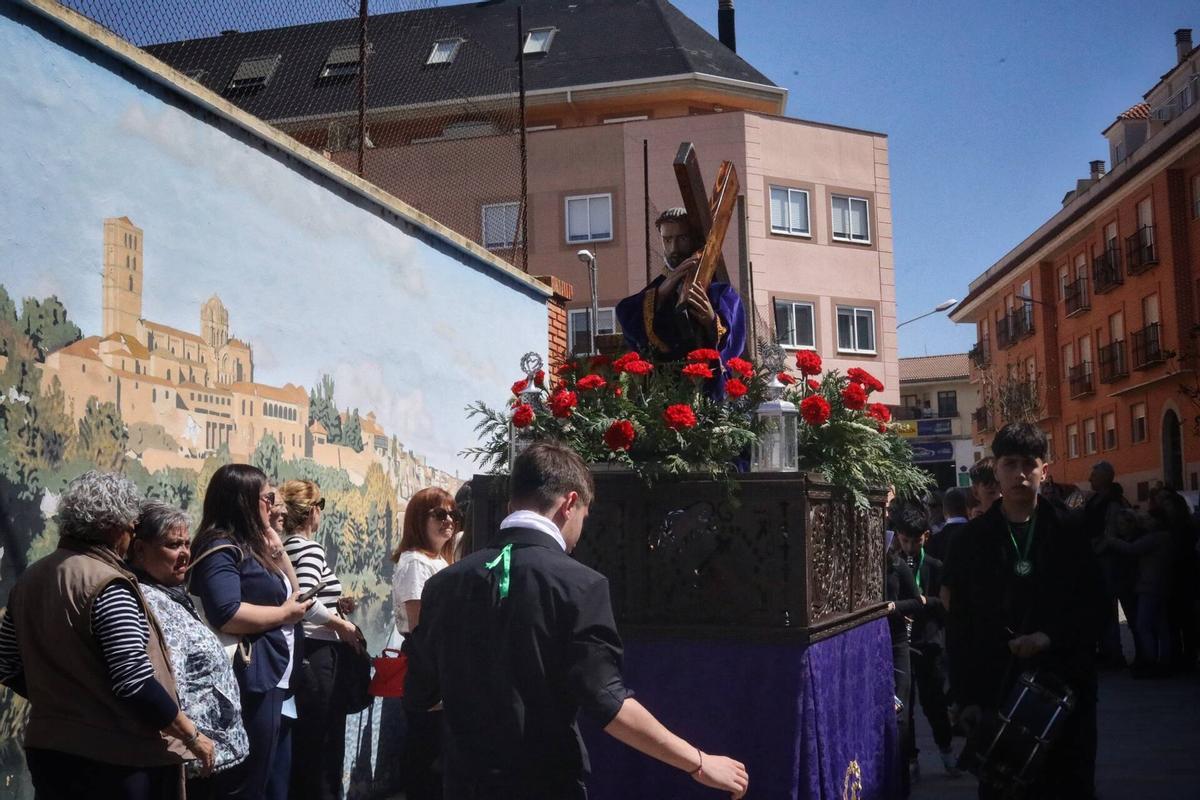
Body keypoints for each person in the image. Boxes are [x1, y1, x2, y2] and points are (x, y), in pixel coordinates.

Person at [404, 441, 749, 799]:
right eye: (584, 514)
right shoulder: (580, 584)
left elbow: (420, 694)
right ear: (569, 504)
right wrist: (698, 762)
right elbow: (607, 702)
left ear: (511, 505)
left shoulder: (443, 584)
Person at [0, 471, 214, 798]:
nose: (132, 534)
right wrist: (191, 735)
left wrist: (63, 700)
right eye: (131, 526)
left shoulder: (30, 578)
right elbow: (135, 680)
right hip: (113, 758)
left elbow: (7, 664)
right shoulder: (108, 585)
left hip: (49, 750)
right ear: (113, 527)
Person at [944, 424, 1100, 800]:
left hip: (1063, 687)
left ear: (1044, 470)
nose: (1019, 473)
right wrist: (965, 696)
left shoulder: (1071, 530)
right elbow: (959, 623)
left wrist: (1050, 637)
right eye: (1010, 464)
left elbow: (1094, 603)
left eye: (1029, 463)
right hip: (996, 687)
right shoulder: (970, 541)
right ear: (995, 469)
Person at [189, 464, 313, 800]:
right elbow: (227, 613)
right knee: (245, 782)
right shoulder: (220, 546)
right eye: (268, 498)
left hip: (270, 675)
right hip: (248, 677)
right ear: (243, 500)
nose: (274, 506)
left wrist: (277, 549)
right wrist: (283, 614)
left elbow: (295, 593)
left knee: (263, 778)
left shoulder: (253, 545)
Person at [129, 501, 249, 798]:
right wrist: (192, 738)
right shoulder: (148, 602)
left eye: (186, 543)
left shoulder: (171, 594)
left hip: (214, 756)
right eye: (173, 545)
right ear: (140, 550)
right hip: (194, 760)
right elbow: (167, 683)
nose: (185, 553)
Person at [279, 480, 363, 800]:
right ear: (313, 510)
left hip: (300, 653)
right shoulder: (310, 548)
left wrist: (335, 604)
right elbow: (303, 600)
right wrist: (341, 625)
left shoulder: (285, 547)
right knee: (325, 745)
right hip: (318, 655)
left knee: (306, 744)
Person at [391, 487, 460, 800]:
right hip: (426, 660)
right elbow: (420, 626)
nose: (449, 520)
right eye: (440, 514)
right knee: (426, 750)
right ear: (420, 519)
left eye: (453, 514)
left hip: (440, 659)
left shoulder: (439, 561)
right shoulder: (416, 563)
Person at [614, 207, 746, 367]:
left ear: (694, 239)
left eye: (682, 238)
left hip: (705, 376)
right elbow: (627, 315)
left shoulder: (719, 291)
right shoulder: (657, 289)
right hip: (667, 378)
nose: (674, 248)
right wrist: (661, 293)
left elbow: (734, 339)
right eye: (667, 240)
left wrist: (712, 321)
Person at [893, 506, 956, 779]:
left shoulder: (934, 566)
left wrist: (922, 602)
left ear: (925, 537)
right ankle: (910, 757)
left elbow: (945, 604)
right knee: (904, 706)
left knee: (933, 702)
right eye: (905, 541)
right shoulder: (894, 566)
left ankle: (946, 749)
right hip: (903, 643)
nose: (909, 547)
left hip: (928, 641)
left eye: (916, 541)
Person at [1099, 506, 1173, 677]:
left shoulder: (1154, 538)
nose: (1145, 522)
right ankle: (1160, 660)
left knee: (1143, 625)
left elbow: (1132, 549)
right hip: (1153, 585)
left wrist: (1110, 540)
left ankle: (1150, 661)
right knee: (1158, 626)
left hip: (1149, 586)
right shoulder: (1162, 537)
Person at [1083, 460, 1135, 667]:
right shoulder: (1096, 499)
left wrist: (1096, 548)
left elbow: (1110, 534)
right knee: (1101, 608)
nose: (1090, 479)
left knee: (1109, 607)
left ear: (1104, 478)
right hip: (1096, 559)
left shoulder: (1113, 503)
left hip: (1108, 560)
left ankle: (1114, 652)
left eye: (1094, 475)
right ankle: (1107, 649)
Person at [927, 488, 969, 562]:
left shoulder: (934, 541)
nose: (929, 509)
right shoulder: (979, 534)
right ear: (967, 509)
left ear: (944, 510)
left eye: (933, 506)